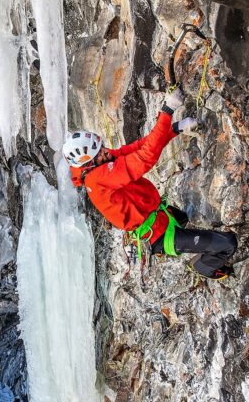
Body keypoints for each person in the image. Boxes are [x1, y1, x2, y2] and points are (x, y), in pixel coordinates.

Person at [63, 88, 237, 280]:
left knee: (182, 217)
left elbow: (139, 146)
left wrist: (173, 129)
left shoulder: (102, 162)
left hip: (160, 216)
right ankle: (204, 267)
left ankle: (187, 241)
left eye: (102, 148)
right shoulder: (99, 178)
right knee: (228, 244)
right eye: (101, 152)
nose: (106, 151)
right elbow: (145, 157)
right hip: (157, 235)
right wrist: (167, 111)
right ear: (89, 162)